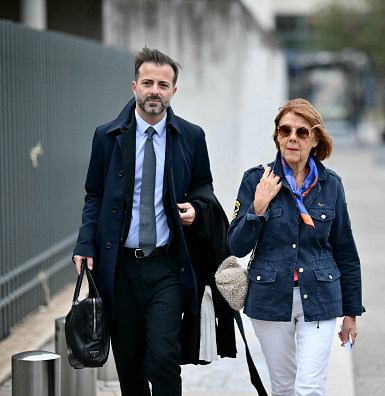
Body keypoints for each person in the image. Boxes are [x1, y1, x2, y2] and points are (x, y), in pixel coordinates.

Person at [72, 47, 213, 396]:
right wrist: (85, 243)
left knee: (163, 360)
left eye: (163, 85)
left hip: (166, 268)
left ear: (173, 92)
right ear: (134, 86)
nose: (155, 91)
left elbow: (203, 186)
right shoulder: (107, 136)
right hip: (119, 269)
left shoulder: (191, 137)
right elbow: (95, 196)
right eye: (148, 82)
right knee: (130, 368)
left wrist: (197, 208)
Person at [227, 98, 365, 396]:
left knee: (310, 387)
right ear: (277, 136)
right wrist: (258, 207)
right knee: (284, 388)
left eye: (301, 132)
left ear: (315, 139)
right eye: (285, 130)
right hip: (269, 297)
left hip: (319, 296)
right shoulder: (256, 180)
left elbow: (346, 252)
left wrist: (351, 313)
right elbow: (236, 246)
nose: (292, 137)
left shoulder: (332, 185)